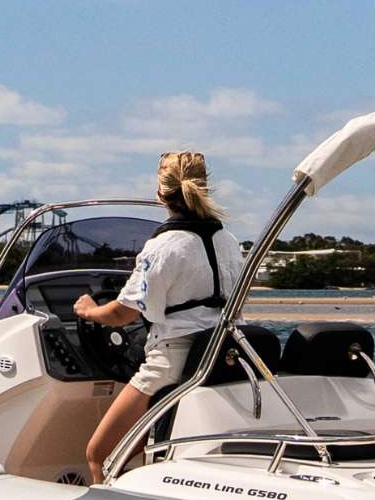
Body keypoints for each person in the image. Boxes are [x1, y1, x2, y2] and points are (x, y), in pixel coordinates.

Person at [73, 150, 247, 483]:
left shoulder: (164, 246)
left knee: (102, 455)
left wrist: (88, 310)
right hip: (221, 356)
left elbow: (121, 314)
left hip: (172, 364)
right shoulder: (229, 241)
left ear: (160, 194)